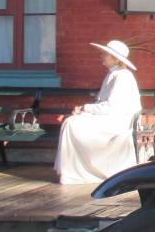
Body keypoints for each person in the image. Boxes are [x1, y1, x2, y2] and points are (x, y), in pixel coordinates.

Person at [55, 40, 143, 186]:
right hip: (111, 117)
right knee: (72, 121)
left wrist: (86, 109)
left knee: (71, 124)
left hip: (119, 122)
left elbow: (111, 107)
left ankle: (77, 172)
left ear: (115, 58)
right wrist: (84, 111)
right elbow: (103, 104)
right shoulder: (113, 75)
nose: (101, 56)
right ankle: (72, 172)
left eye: (105, 54)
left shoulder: (122, 76)